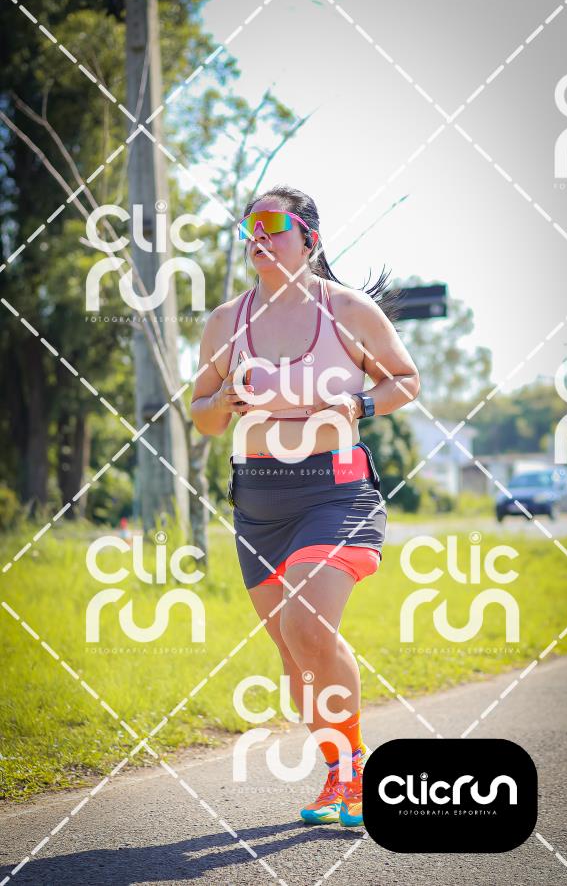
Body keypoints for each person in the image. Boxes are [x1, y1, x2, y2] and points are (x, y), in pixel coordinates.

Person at [191, 185, 419, 827]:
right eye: (250, 228)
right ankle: (338, 772)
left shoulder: (348, 310)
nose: (258, 237)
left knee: (306, 626)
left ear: (309, 239)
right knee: (295, 657)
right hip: (257, 502)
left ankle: (358, 771)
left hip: (335, 492)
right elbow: (202, 414)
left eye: (273, 225)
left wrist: (359, 403)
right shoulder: (225, 321)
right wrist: (224, 403)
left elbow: (406, 380)